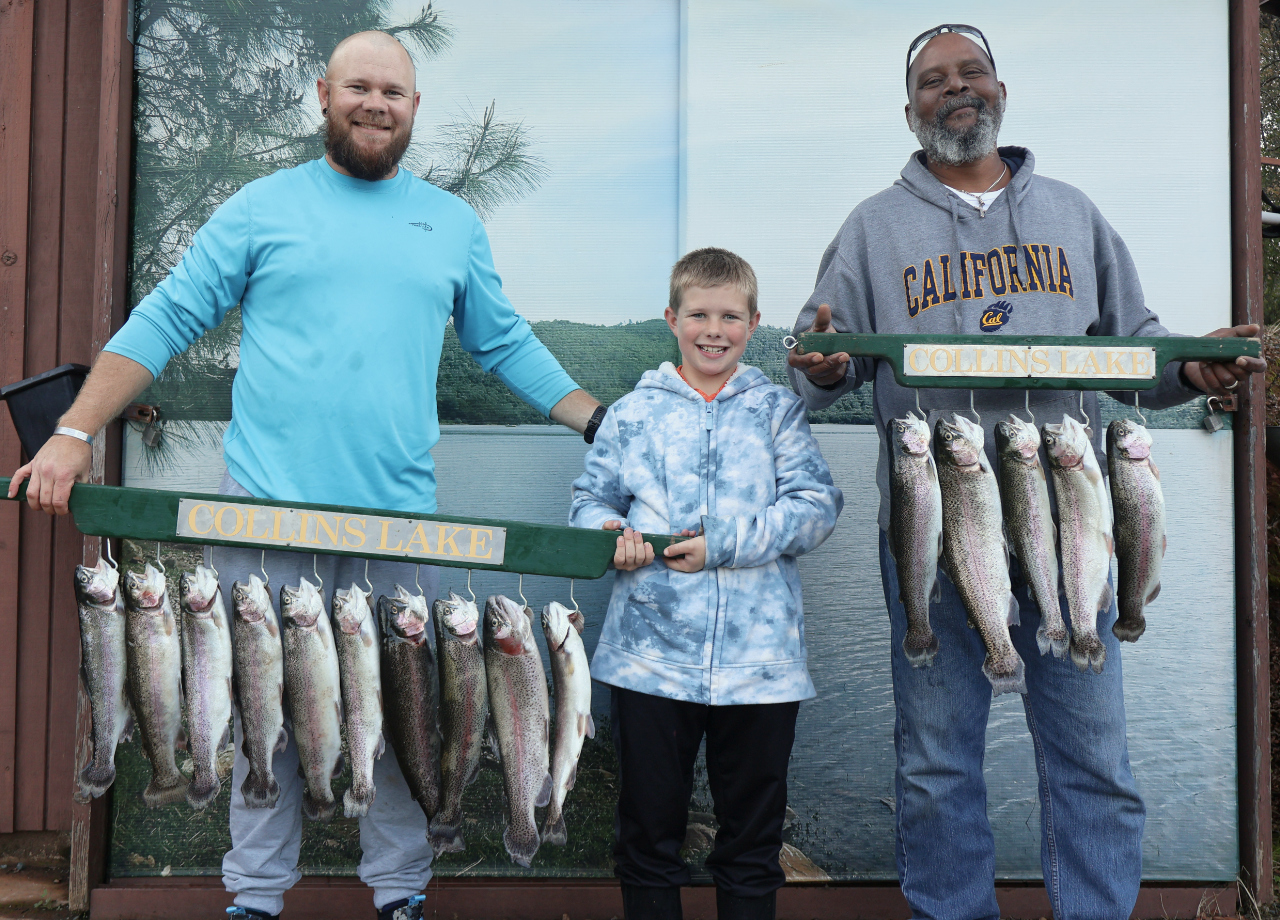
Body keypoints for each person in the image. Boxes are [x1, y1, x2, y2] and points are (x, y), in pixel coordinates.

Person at [11, 31, 605, 920]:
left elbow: (504, 342)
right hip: (264, 521)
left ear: (414, 110)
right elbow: (164, 321)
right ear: (323, 94)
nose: (376, 104)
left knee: (400, 719)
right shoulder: (261, 207)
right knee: (263, 718)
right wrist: (72, 429)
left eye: (394, 93)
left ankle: (400, 891)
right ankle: (255, 896)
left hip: (399, 526)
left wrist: (600, 420)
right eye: (359, 87)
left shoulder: (450, 222)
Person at [785, 24, 1267, 920]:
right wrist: (818, 362)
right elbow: (824, 362)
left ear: (1000, 90)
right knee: (934, 765)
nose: (955, 90)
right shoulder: (870, 228)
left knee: (1095, 759)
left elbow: (1140, 352)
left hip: (1070, 517)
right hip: (938, 524)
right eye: (934, 82)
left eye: (972, 73)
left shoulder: (1076, 216)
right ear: (910, 110)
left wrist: (1195, 368)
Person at [569, 248, 843, 920]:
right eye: (698, 314)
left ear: (753, 324)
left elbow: (816, 507)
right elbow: (588, 502)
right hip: (648, 664)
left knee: (751, 848)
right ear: (672, 318)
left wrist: (722, 544)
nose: (712, 330)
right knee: (646, 838)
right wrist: (611, 537)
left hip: (762, 671)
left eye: (729, 316)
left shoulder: (778, 411)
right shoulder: (633, 413)